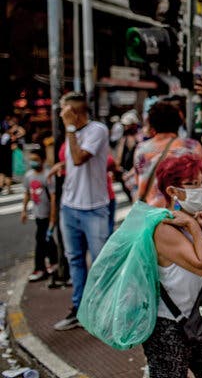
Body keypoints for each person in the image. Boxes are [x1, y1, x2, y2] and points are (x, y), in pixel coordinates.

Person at [144, 153, 202, 378]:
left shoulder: (198, 222)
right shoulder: (164, 228)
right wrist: (192, 225)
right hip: (169, 327)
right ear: (172, 191)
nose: (199, 189)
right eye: (191, 184)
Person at [54, 92, 110, 331]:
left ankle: (101, 311)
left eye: (64, 110)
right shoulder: (73, 135)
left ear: (74, 113)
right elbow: (72, 164)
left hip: (94, 208)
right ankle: (78, 309)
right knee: (75, 260)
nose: (60, 114)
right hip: (69, 207)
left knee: (100, 262)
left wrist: (68, 127)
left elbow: (79, 159)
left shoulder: (97, 130)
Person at [134, 79, 202, 207]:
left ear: (152, 126)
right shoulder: (191, 147)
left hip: (152, 215)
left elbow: (139, 183)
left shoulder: (141, 150)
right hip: (183, 213)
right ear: (180, 121)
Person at [20, 148, 58, 282]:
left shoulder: (48, 175)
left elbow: (53, 198)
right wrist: (24, 210)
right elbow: (27, 193)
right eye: (31, 160)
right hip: (37, 213)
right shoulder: (29, 175)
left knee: (40, 240)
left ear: (42, 160)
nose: (33, 162)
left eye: (35, 160)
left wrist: (53, 217)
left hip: (47, 215)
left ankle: (40, 268)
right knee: (46, 240)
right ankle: (54, 262)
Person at [114, 110, 140, 202]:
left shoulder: (139, 139)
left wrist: (130, 173)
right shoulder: (123, 139)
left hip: (135, 174)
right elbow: (119, 156)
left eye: (128, 125)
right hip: (125, 173)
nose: (126, 127)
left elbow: (140, 161)